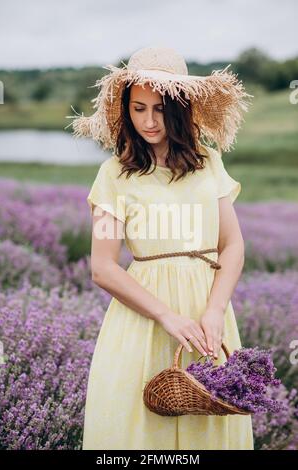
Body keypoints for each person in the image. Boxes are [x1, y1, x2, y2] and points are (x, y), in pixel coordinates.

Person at [66, 46, 254, 450]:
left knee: (210, 427)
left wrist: (216, 309)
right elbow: (102, 267)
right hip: (143, 319)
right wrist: (167, 316)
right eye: (138, 109)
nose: (149, 121)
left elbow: (233, 245)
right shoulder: (112, 174)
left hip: (208, 319)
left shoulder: (209, 162)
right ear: (127, 110)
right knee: (137, 432)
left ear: (181, 107)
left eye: (160, 108)